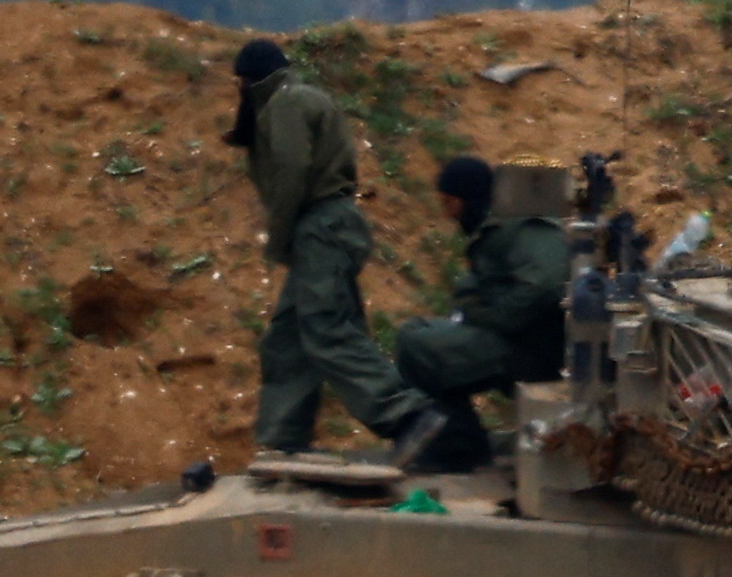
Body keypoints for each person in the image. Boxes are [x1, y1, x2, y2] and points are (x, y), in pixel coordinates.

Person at [228, 36, 404, 455]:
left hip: (320, 228)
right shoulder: (300, 98)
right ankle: (281, 439)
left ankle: (407, 416)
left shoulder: (284, 104)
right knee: (287, 341)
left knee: (328, 330)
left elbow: (292, 169)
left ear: (250, 81)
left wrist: (280, 236)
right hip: (327, 228)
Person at [387, 154, 572, 476]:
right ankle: (462, 444)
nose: (448, 213)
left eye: (450, 202)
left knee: (419, 348)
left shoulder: (519, 223)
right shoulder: (497, 225)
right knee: (416, 333)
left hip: (529, 348)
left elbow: (545, 283)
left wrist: (496, 317)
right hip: (514, 340)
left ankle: (459, 449)